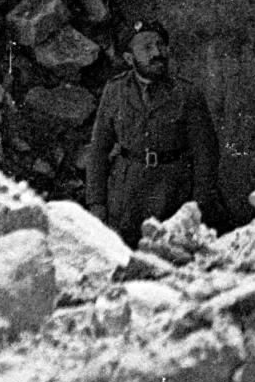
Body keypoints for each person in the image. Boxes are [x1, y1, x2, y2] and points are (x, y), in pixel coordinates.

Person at [85, 19, 223, 246]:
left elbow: (206, 154)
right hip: (126, 197)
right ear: (129, 58)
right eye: (147, 47)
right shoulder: (115, 91)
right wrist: (97, 204)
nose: (157, 53)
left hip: (173, 193)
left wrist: (198, 206)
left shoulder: (187, 94)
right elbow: (99, 149)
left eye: (161, 45)